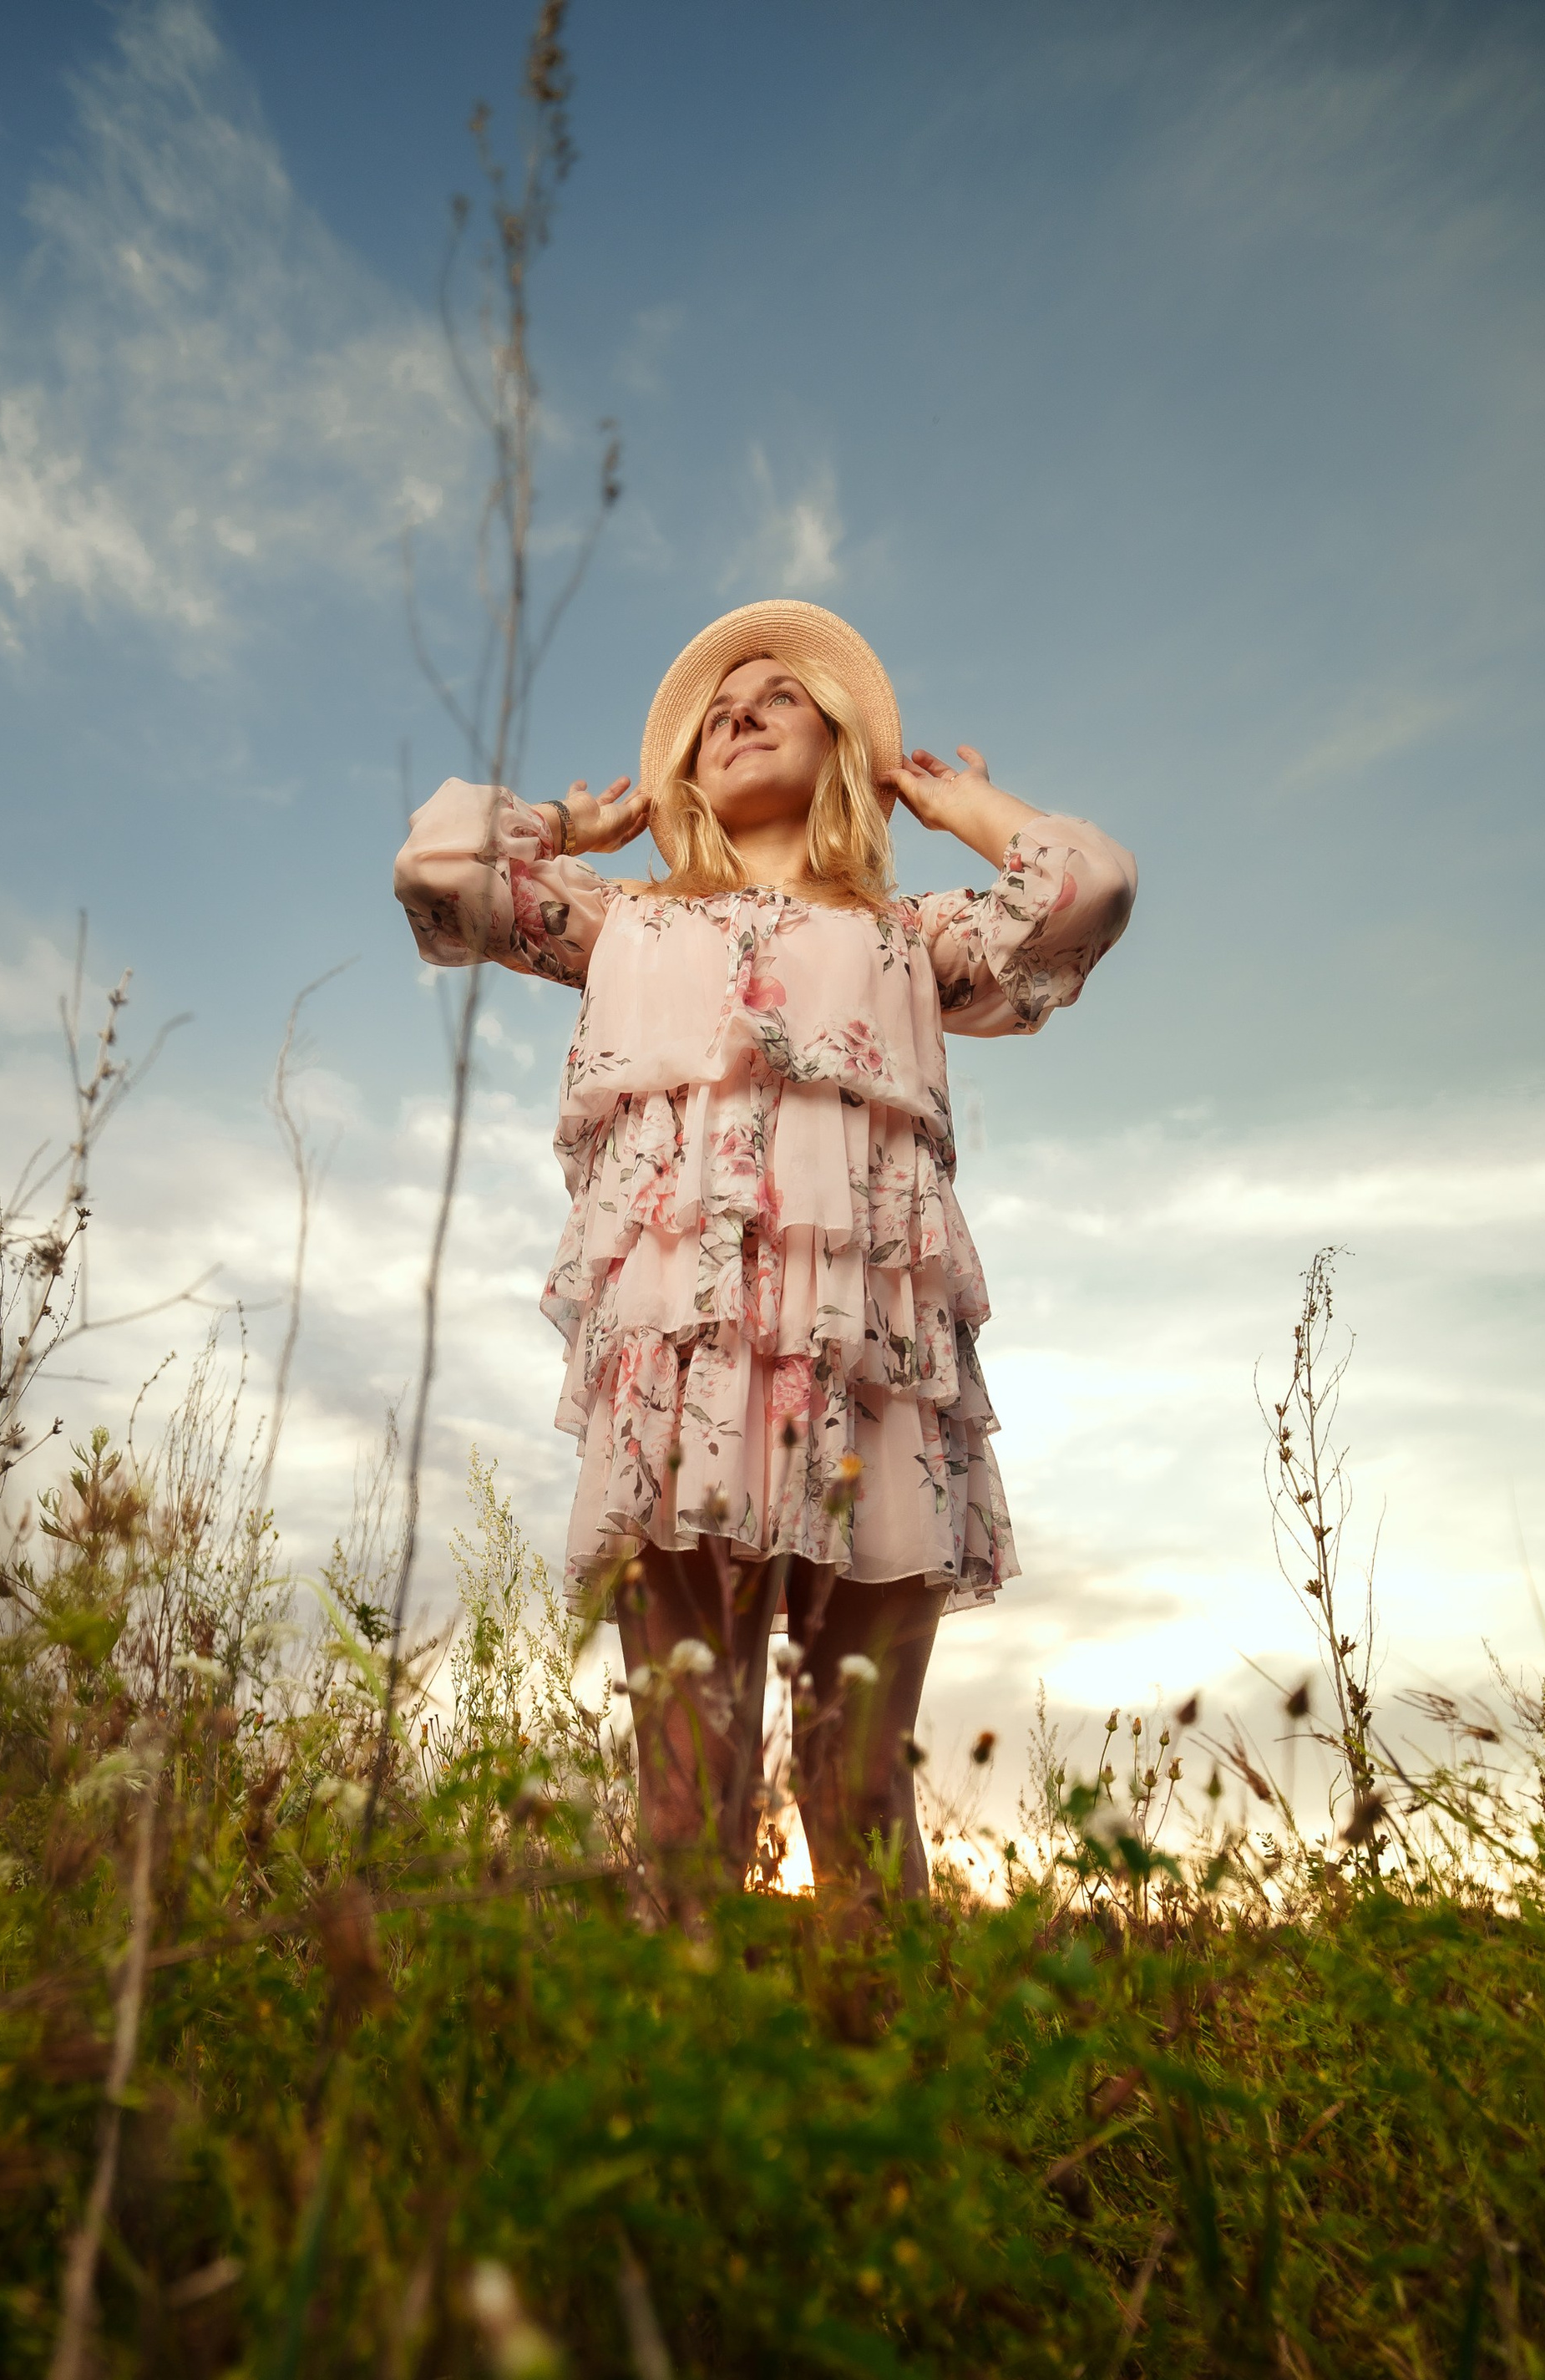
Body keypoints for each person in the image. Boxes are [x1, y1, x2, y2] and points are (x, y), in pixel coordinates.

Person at [393, 598, 1135, 1894]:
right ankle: (685, 2091)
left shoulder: (915, 939)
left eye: (774, 697)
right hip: (685, 1379)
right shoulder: (623, 920)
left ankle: (879, 2091)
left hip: (879, 1377)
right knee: (689, 1799)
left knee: (854, 1796)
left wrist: (951, 801)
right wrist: (579, 827)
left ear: (841, 741)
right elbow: (443, 870)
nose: (735, 712)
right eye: (712, 716)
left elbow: (1088, 886)